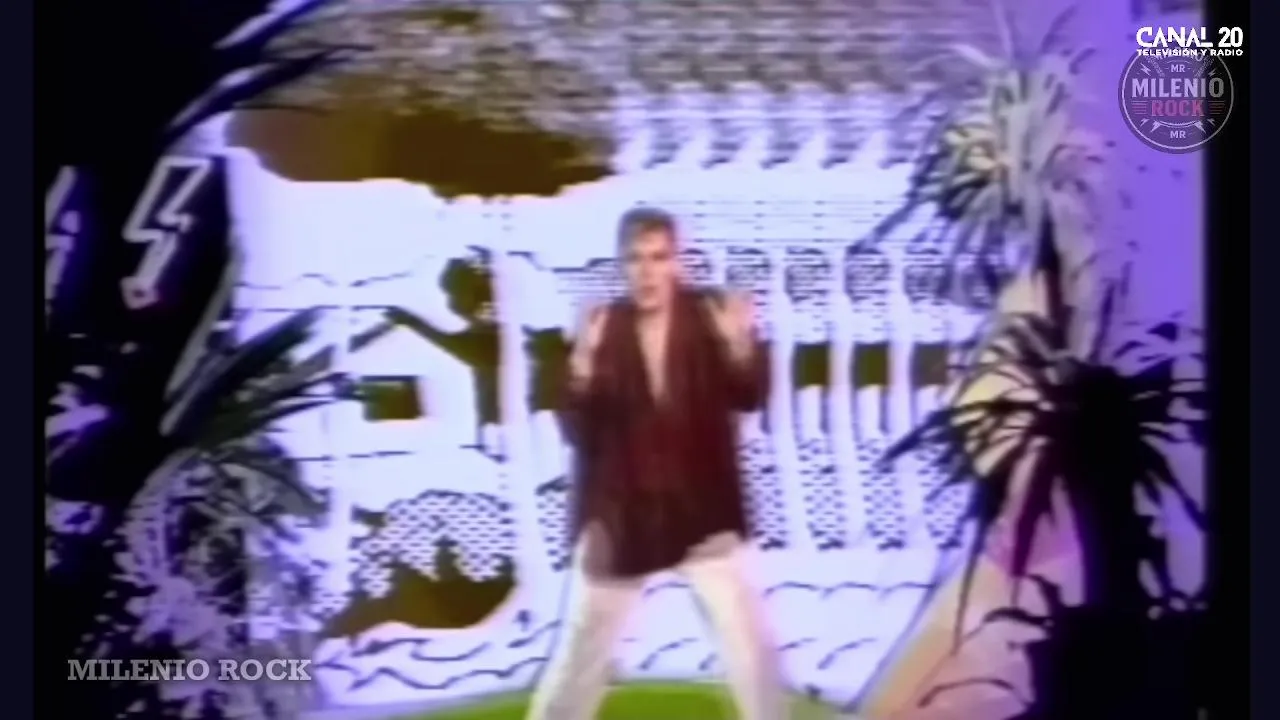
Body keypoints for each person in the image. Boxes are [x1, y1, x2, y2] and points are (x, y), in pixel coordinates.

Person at [526, 207, 785, 720]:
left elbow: (749, 396)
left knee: (750, 647)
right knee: (582, 655)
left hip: (701, 512)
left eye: (658, 257)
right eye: (636, 259)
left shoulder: (709, 316)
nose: (647, 271)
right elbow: (579, 432)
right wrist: (582, 366)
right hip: (624, 517)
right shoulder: (604, 327)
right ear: (622, 265)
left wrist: (739, 343)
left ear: (677, 263)